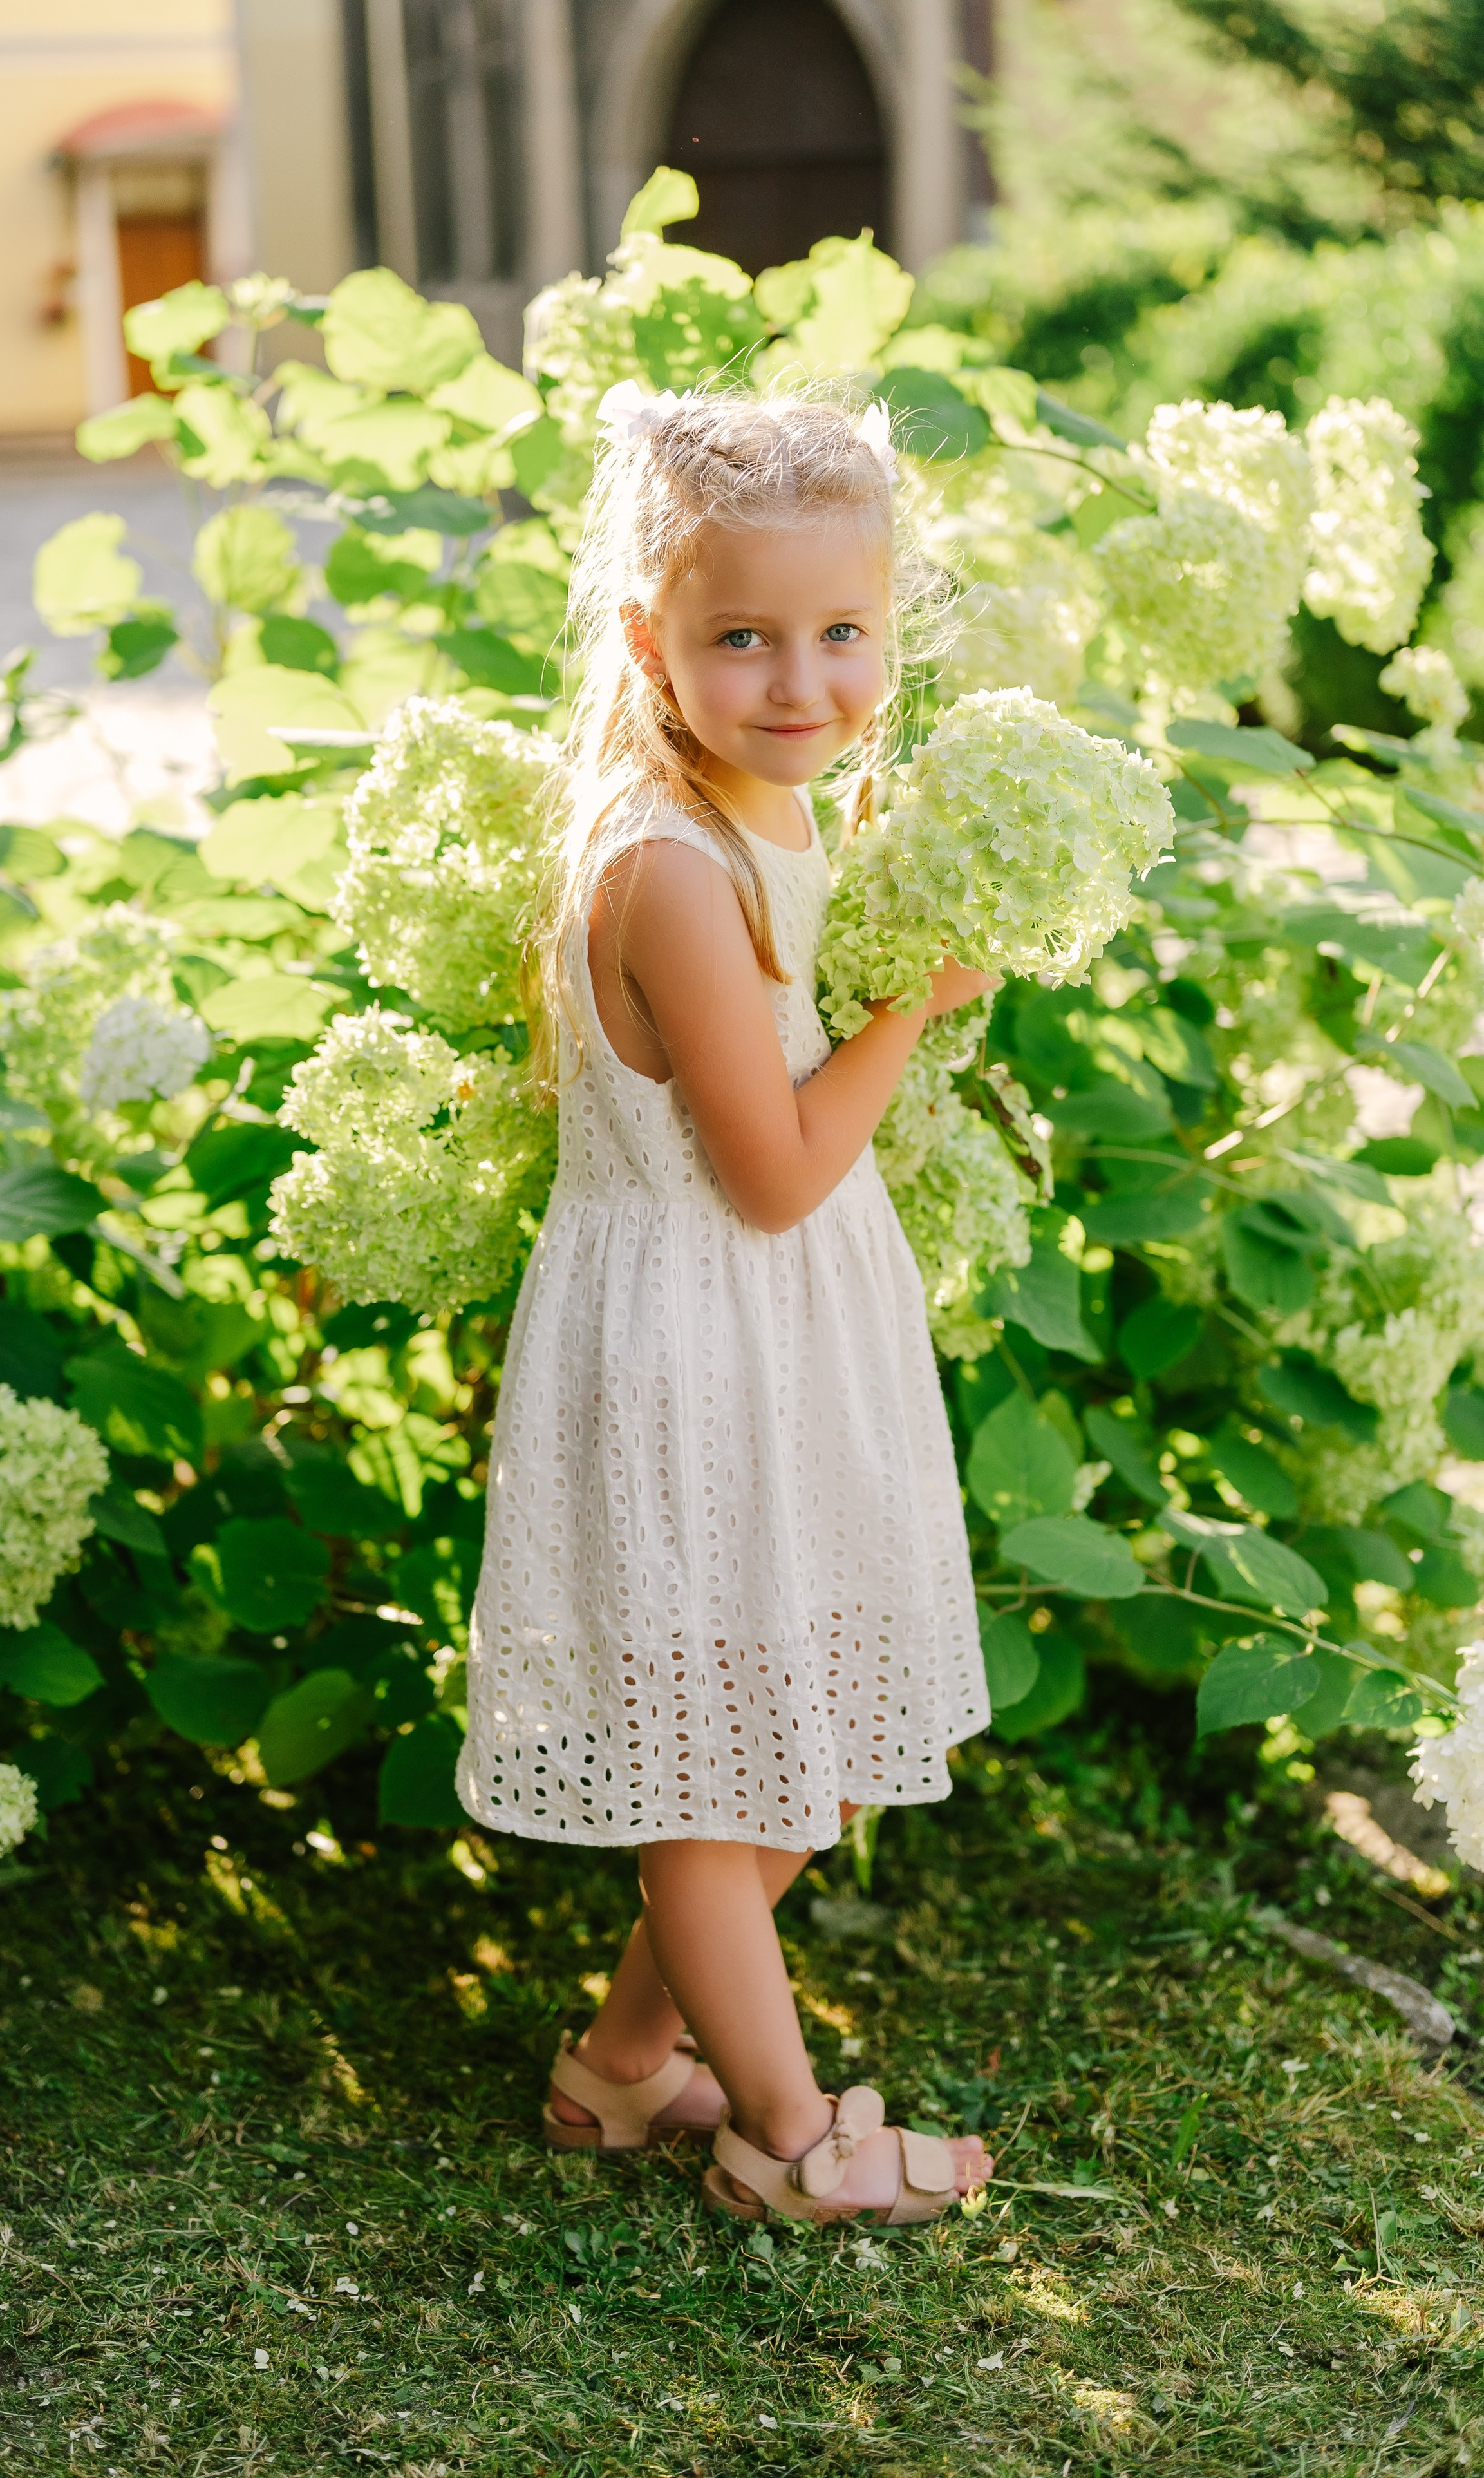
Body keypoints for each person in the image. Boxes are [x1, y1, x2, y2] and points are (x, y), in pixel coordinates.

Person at [456, 381, 997, 2226]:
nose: (800, 680)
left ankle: (621, 2074)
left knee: (789, 1758)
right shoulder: (673, 869)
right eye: (742, 637)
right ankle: (784, 2133)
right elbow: (768, 1170)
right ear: (647, 639)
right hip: (694, 1337)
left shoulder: (761, 807)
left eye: (842, 632)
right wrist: (911, 1014)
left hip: (770, 1330)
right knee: (718, 1775)